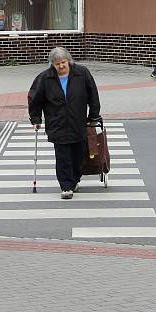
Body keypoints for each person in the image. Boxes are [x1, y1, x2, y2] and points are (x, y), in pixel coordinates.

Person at [28, 47, 100, 200]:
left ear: (69, 61)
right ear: (52, 65)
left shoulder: (82, 73)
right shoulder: (45, 78)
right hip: (57, 123)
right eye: (57, 64)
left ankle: (74, 179)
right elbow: (35, 99)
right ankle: (66, 186)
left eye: (63, 62)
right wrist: (35, 119)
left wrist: (94, 115)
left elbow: (93, 94)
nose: (61, 66)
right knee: (63, 156)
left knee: (78, 155)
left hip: (78, 122)